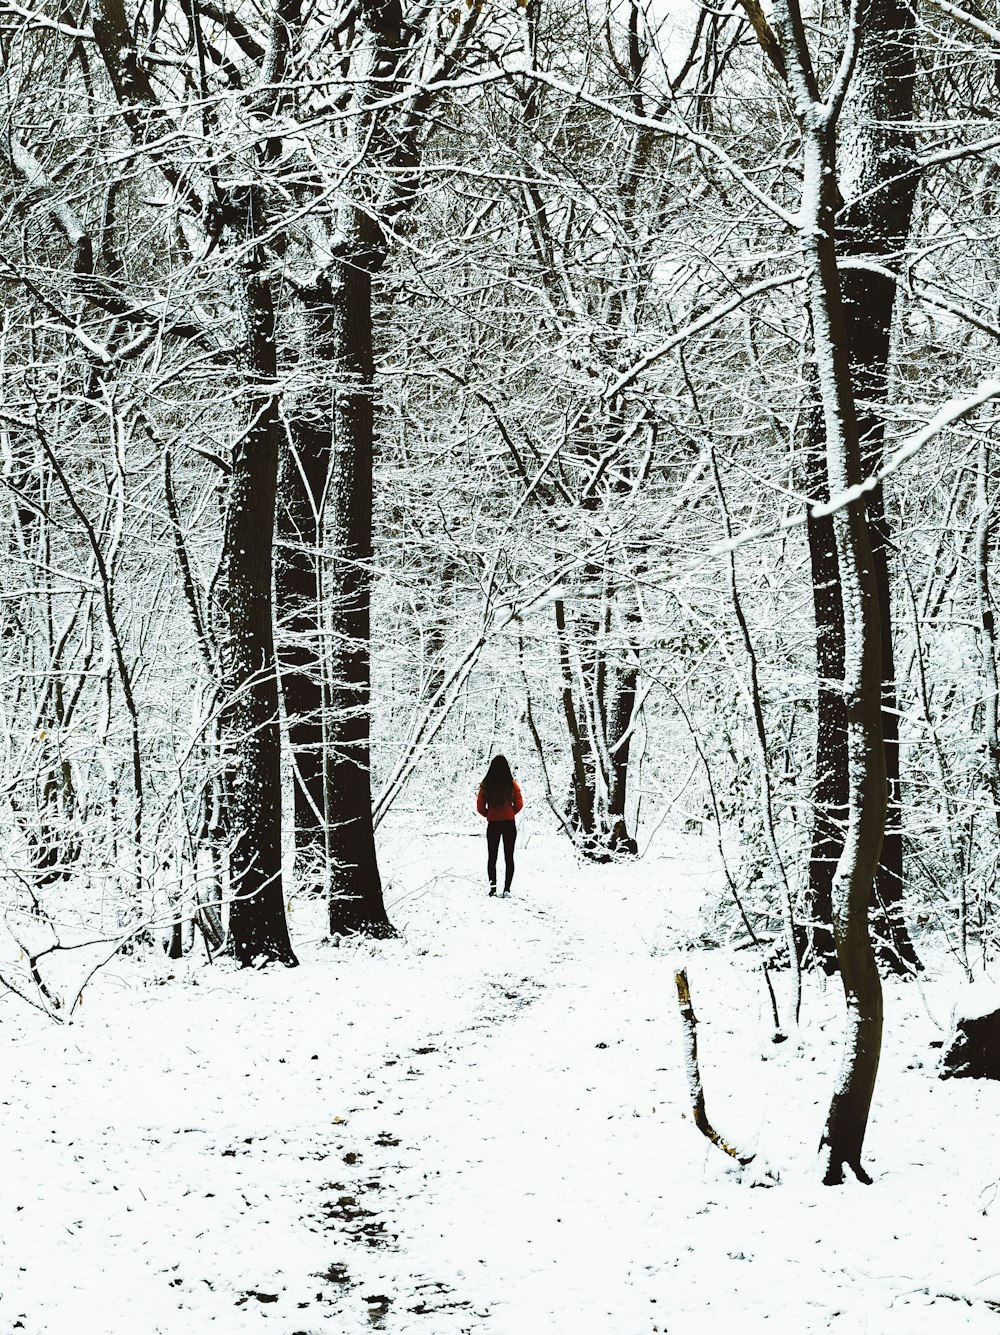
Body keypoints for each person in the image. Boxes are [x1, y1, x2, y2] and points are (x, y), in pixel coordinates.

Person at [476, 755, 523, 897]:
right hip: (509, 823)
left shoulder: (486, 785)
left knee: (492, 857)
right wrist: (510, 812)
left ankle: (493, 888)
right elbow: (520, 804)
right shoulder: (512, 784)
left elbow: (479, 807)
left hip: (493, 824)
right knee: (509, 857)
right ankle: (507, 889)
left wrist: (489, 814)